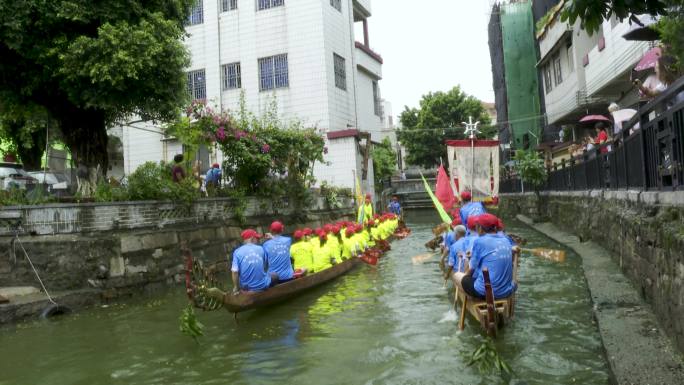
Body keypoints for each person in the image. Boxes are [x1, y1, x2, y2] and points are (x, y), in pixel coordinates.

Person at [452, 214, 516, 300]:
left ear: (480, 228)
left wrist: (464, 278)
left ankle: (471, 298)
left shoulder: (479, 241)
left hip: (486, 292)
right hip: (507, 291)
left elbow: (471, 269)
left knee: (456, 275)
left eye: (477, 226)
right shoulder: (506, 240)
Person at [231, 229, 276, 294]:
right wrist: (272, 238)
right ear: (252, 238)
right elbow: (264, 266)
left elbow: (235, 272)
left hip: (246, 287)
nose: (258, 240)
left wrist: (236, 287)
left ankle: (245, 291)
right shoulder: (261, 248)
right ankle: (264, 289)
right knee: (275, 275)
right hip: (262, 285)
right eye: (257, 238)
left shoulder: (237, 252)